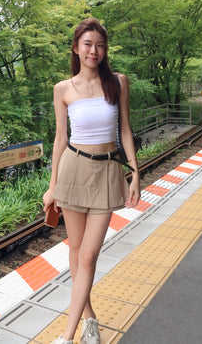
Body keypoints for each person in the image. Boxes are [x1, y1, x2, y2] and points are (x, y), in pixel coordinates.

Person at [43, 18, 141, 344]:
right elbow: (60, 139)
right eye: (87, 44)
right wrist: (52, 185)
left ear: (105, 49)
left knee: (88, 255)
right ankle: (89, 321)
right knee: (75, 250)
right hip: (73, 169)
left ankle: (66, 337)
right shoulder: (63, 89)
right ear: (76, 47)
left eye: (99, 45)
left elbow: (125, 130)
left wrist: (135, 173)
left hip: (108, 171)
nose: (93, 51)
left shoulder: (118, 83)